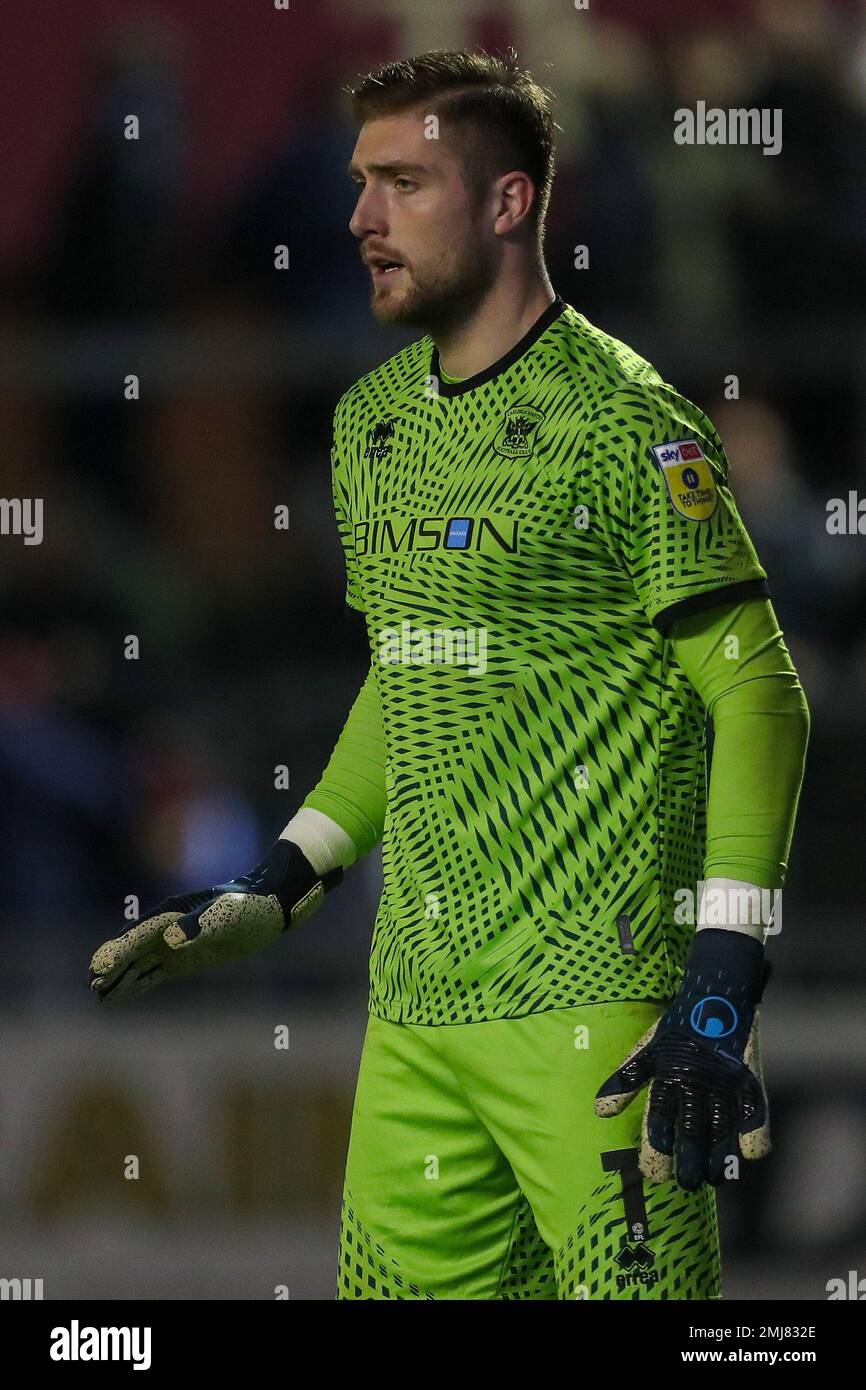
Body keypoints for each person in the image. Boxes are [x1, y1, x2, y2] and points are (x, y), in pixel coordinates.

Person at [90, 48, 810, 1301]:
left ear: (507, 203)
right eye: (360, 182)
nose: (360, 218)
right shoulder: (370, 426)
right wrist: (287, 870)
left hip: (597, 1020)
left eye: (404, 184)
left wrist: (717, 985)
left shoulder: (627, 426)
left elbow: (757, 696)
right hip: (414, 1020)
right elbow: (408, 676)